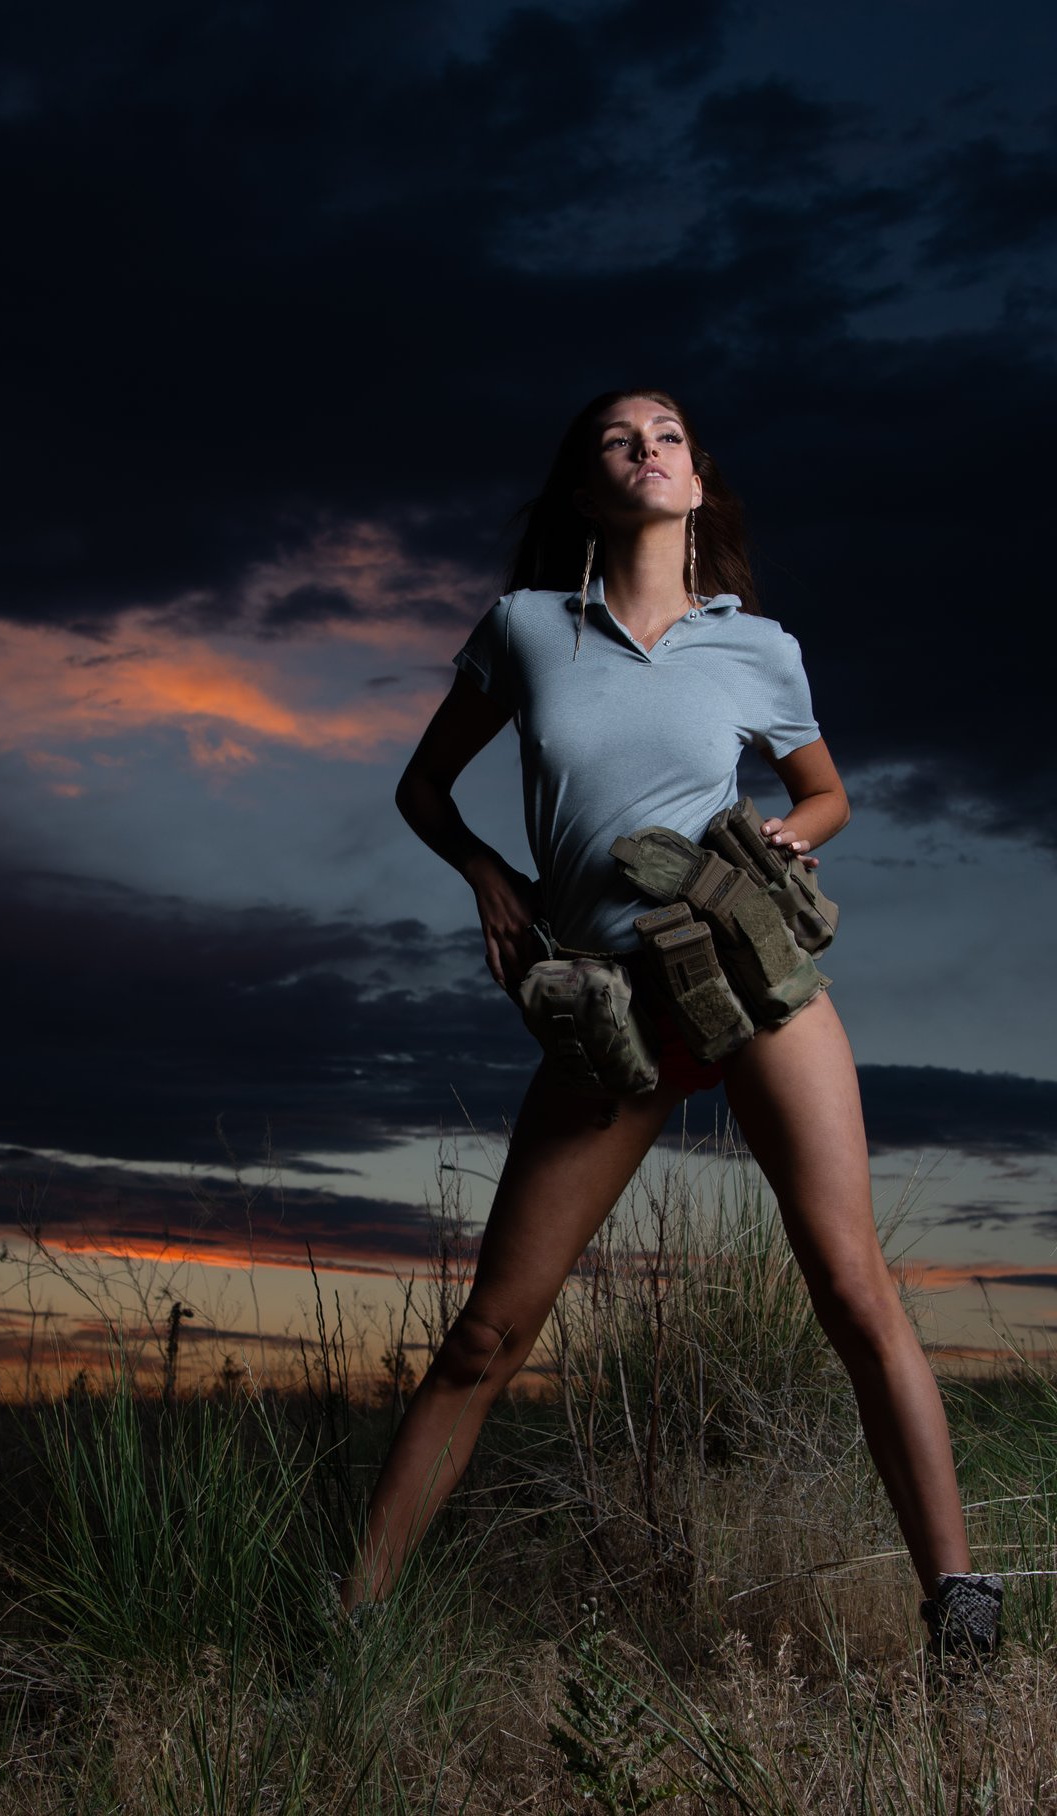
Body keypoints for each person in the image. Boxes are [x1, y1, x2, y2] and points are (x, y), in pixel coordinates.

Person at [341, 387, 1001, 1663]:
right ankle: (351, 1633)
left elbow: (824, 793)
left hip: (746, 978)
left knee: (854, 1293)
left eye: (666, 438)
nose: (644, 451)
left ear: (696, 482)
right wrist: (489, 877)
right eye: (616, 440)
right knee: (485, 1335)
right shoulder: (525, 628)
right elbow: (422, 784)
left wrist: (789, 833)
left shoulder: (757, 648)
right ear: (585, 489)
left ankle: (962, 1623)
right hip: (605, 1011)